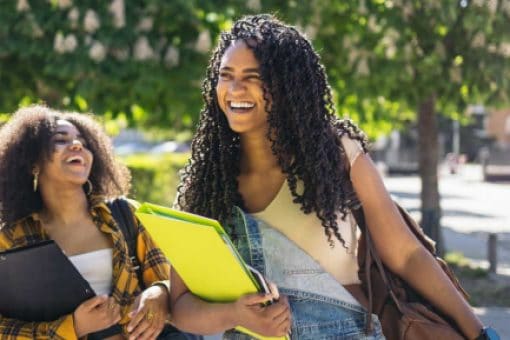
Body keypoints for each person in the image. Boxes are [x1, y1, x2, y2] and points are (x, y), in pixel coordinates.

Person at [173, 14, 496, 339]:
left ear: (287, 86)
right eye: (225, 75)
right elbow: (181, 305)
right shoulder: (207, 182)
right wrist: (235, 315)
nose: (235, 88)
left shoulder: (337, 154)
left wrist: (479, 333)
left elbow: (407, 255)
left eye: (252, 76)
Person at [0, 105, 171, 340]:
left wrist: (159, 292)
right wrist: (73, 327)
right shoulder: (9, 239)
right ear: (32, 162)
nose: (77, 145)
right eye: (60, 140)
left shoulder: (125, 214)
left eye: (84, 141)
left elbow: (169, 280)